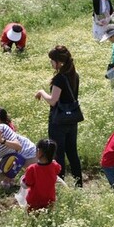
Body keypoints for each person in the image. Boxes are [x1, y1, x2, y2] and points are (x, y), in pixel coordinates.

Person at [35, 45, 83, 187]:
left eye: (52, 60)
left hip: (58, 121)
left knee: (58, 153)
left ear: (59, 62)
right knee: (72, 152)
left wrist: (41, 92)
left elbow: (53, 100)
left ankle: (59, 184)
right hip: (72, 119)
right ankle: (78, 184)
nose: (51, 63)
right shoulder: (74, 75)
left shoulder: (59, 79)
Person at [22, 139, 62, 212]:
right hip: (50, 200)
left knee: (31, 220)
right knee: (49, 217)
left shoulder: (32, 168)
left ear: (39, 152)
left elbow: (27, 185)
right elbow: (58, 169)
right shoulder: (54, 165)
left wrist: (22, 180)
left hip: (34, 201)